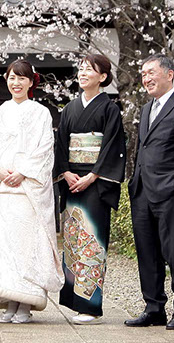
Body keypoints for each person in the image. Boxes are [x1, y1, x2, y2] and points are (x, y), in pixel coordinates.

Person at [0, 59, 63, 324]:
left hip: (27, 191)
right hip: (1, 191)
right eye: (12, 77)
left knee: (25, 248)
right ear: (6, 80)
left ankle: (25, 304)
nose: (16, 83)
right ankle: (9, 302)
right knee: (3, 248)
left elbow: (44, 149)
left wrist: (22, 172)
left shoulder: (41, 113)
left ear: (31, 82)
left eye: (22, 78)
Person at [125, 53, 174, 330]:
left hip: (169, 192)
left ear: (169, 74)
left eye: (151, 73)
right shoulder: (147, 109)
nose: (146, 78)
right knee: (146, 253)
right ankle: (154, 307)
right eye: (143, 74)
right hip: (142, 191)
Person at [54, 53, 126, 324]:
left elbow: (112, 146)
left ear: (103, 77)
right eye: (81, 68)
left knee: (92, 241)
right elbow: (61, 143)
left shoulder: (109, 109)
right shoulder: (70, 109)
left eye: (90, 70)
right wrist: (65, 172)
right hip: (72, 181)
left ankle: (91, 307)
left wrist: (94, 175)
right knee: (73, 240)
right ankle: (75, 302)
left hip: (96, 185)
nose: (83, 73)